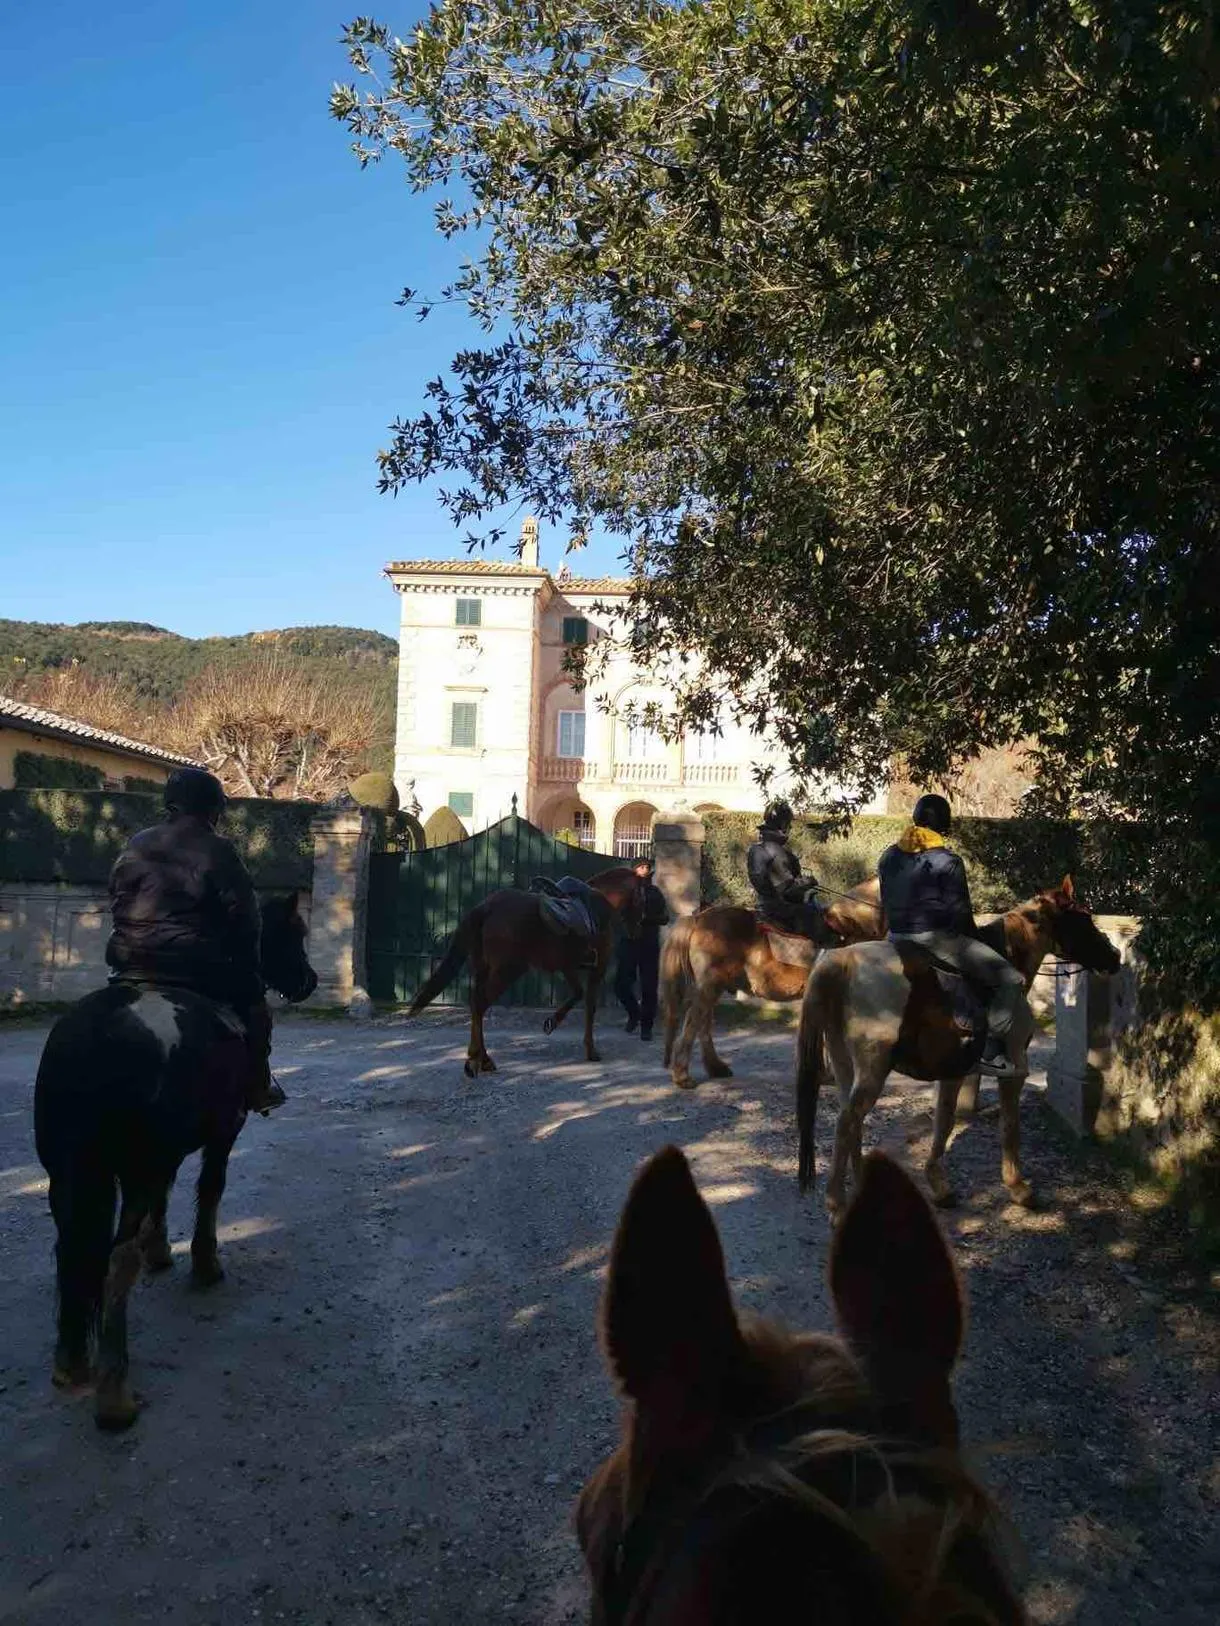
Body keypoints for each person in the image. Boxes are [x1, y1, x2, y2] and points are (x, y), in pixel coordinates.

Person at [105, 766, 285, 1114]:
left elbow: (115, 895)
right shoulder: (218, 850)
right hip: (193, 968)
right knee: (257, 1014)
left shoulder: (136, 842)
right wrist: (250, 975)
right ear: (210, 809)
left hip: (128, 964)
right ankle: (258, 1088)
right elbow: (247, 921)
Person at [877, 793, 1031, 1078]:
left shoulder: (889, 855)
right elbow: (960, 917)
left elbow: (886, 902)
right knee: (1011, 979)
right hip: (934, 939)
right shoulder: (948, 860)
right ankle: (991, 1053)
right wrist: (979, 940)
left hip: (894, 938)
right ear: (944, 825)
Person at [746, 798, 823, 937]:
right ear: (783, 824)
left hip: (763, 904)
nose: (790, 828)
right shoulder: (777, 851)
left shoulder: (755, 848)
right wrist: (809, 881)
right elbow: (787, 890)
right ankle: (818, 955)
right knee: (818, 916)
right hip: (780, 909)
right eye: (789, 824)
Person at [615, 858, 669, 1040]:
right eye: (640, 867)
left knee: (649, 987)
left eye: (647, 867)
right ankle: (633, 1013)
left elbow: (665, 918)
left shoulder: (655, 893)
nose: (644, 870)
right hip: (629, 942)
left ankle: (647, 1027)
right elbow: (616, 914)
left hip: (648, 943)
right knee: (621, 985)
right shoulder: (625, 892)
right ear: (633, 871)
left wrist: (646, 919)